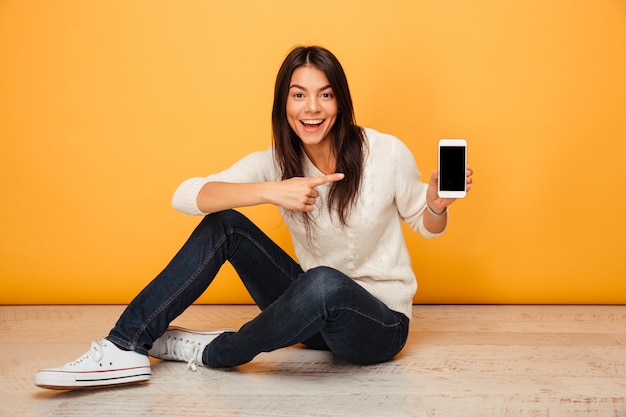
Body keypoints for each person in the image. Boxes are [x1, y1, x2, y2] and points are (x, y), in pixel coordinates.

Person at [34, 45, 473, 390]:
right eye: (298, 95)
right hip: (309, 315)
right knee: (225, 224)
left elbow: (426, 226)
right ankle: (124, 345)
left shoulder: (385, 152)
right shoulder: (277, 161)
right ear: (285, 103)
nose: (312, 109)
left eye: (324, 94)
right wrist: (270, 191)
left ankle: (216, 352)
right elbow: (187, 195)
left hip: (378, 325)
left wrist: (436, 204)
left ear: (340, 101)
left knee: (323, 280)